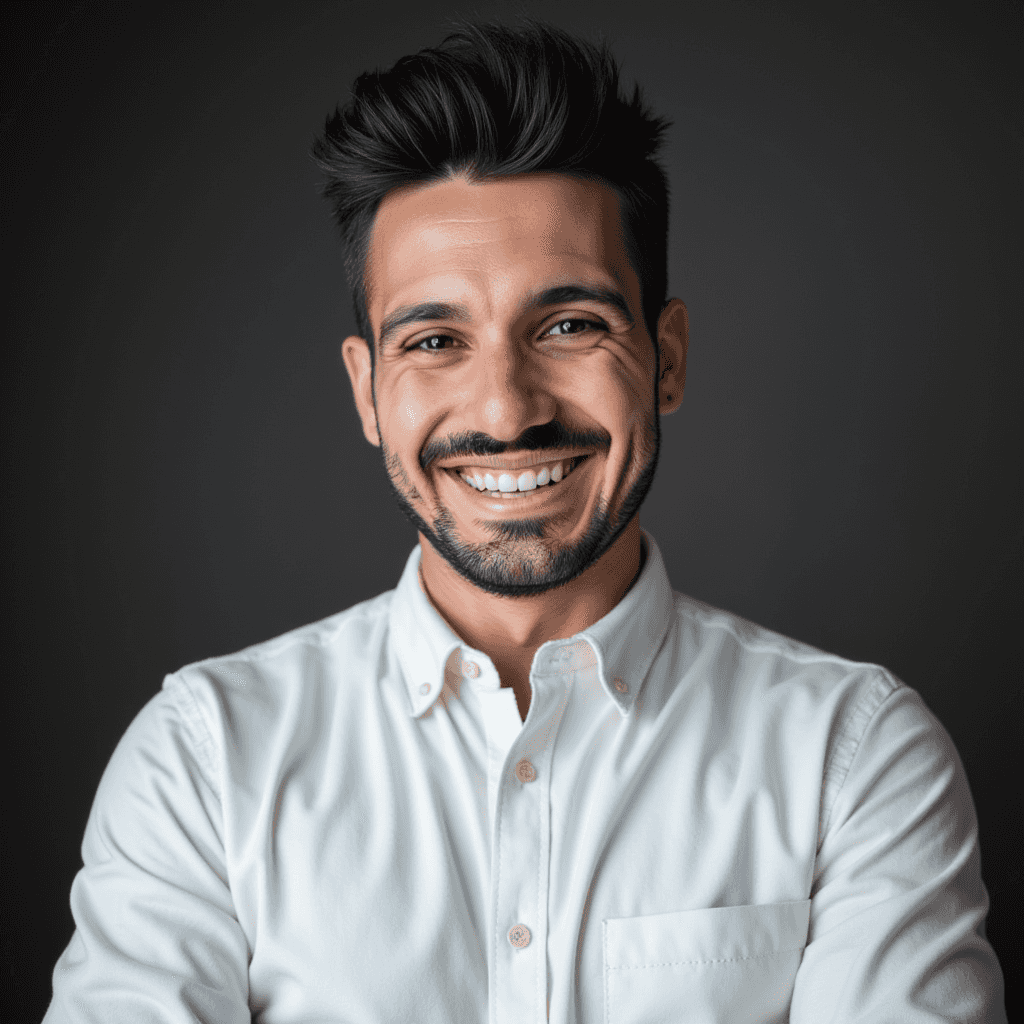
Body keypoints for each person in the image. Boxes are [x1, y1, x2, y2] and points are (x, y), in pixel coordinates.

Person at [45, 21, 1004, 1023]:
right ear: (366, 391)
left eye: (570, 325)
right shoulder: (204, 762)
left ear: (665, 357)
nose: (506, 410)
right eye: (435, 339)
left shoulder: (852, 758)